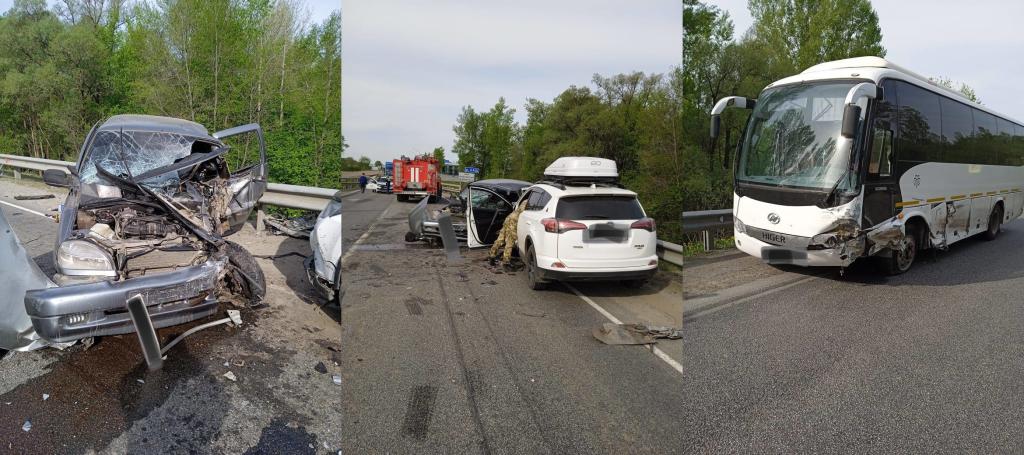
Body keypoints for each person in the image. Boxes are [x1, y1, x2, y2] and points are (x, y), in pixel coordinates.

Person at [488, 202, 528, 268]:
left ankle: (492, 255)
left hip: (509, 218)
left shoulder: (527, 200)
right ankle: (506, 262)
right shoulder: (530, 201)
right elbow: (522, 211)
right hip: (514, 220)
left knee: (501, 239)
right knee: (510, 241)